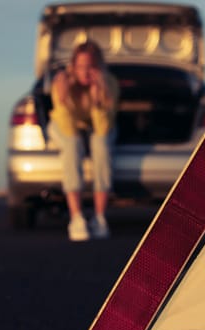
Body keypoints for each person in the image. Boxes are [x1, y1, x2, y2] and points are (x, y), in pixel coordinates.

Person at [47, 41, 119, 241]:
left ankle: (99, 217)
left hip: (98, 127)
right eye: (80, 67)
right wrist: (65, 94)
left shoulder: (109, 82)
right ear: (73, 66)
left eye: (91, 67)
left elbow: (103, 128)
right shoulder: (61, 81)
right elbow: (65, 126)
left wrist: (97, 98)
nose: (85, 72)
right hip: (66, 127)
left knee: (101, 144)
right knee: (72, 145)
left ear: (99, 67)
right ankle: (76, 217)